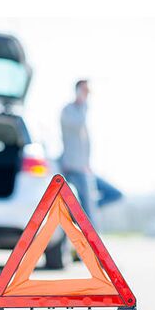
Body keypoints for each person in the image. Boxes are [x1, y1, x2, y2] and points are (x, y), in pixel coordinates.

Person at [60, 79, 99, 225]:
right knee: (87, 211)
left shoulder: (82, 111)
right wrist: (83, 104)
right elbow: (77, 125)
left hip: (85, 169)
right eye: (84, 91)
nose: (86, 95)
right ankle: (91, 244)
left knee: (112, 194)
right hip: (72, 168)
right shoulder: (68, 111)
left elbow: (85, 143)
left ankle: (80, 219)